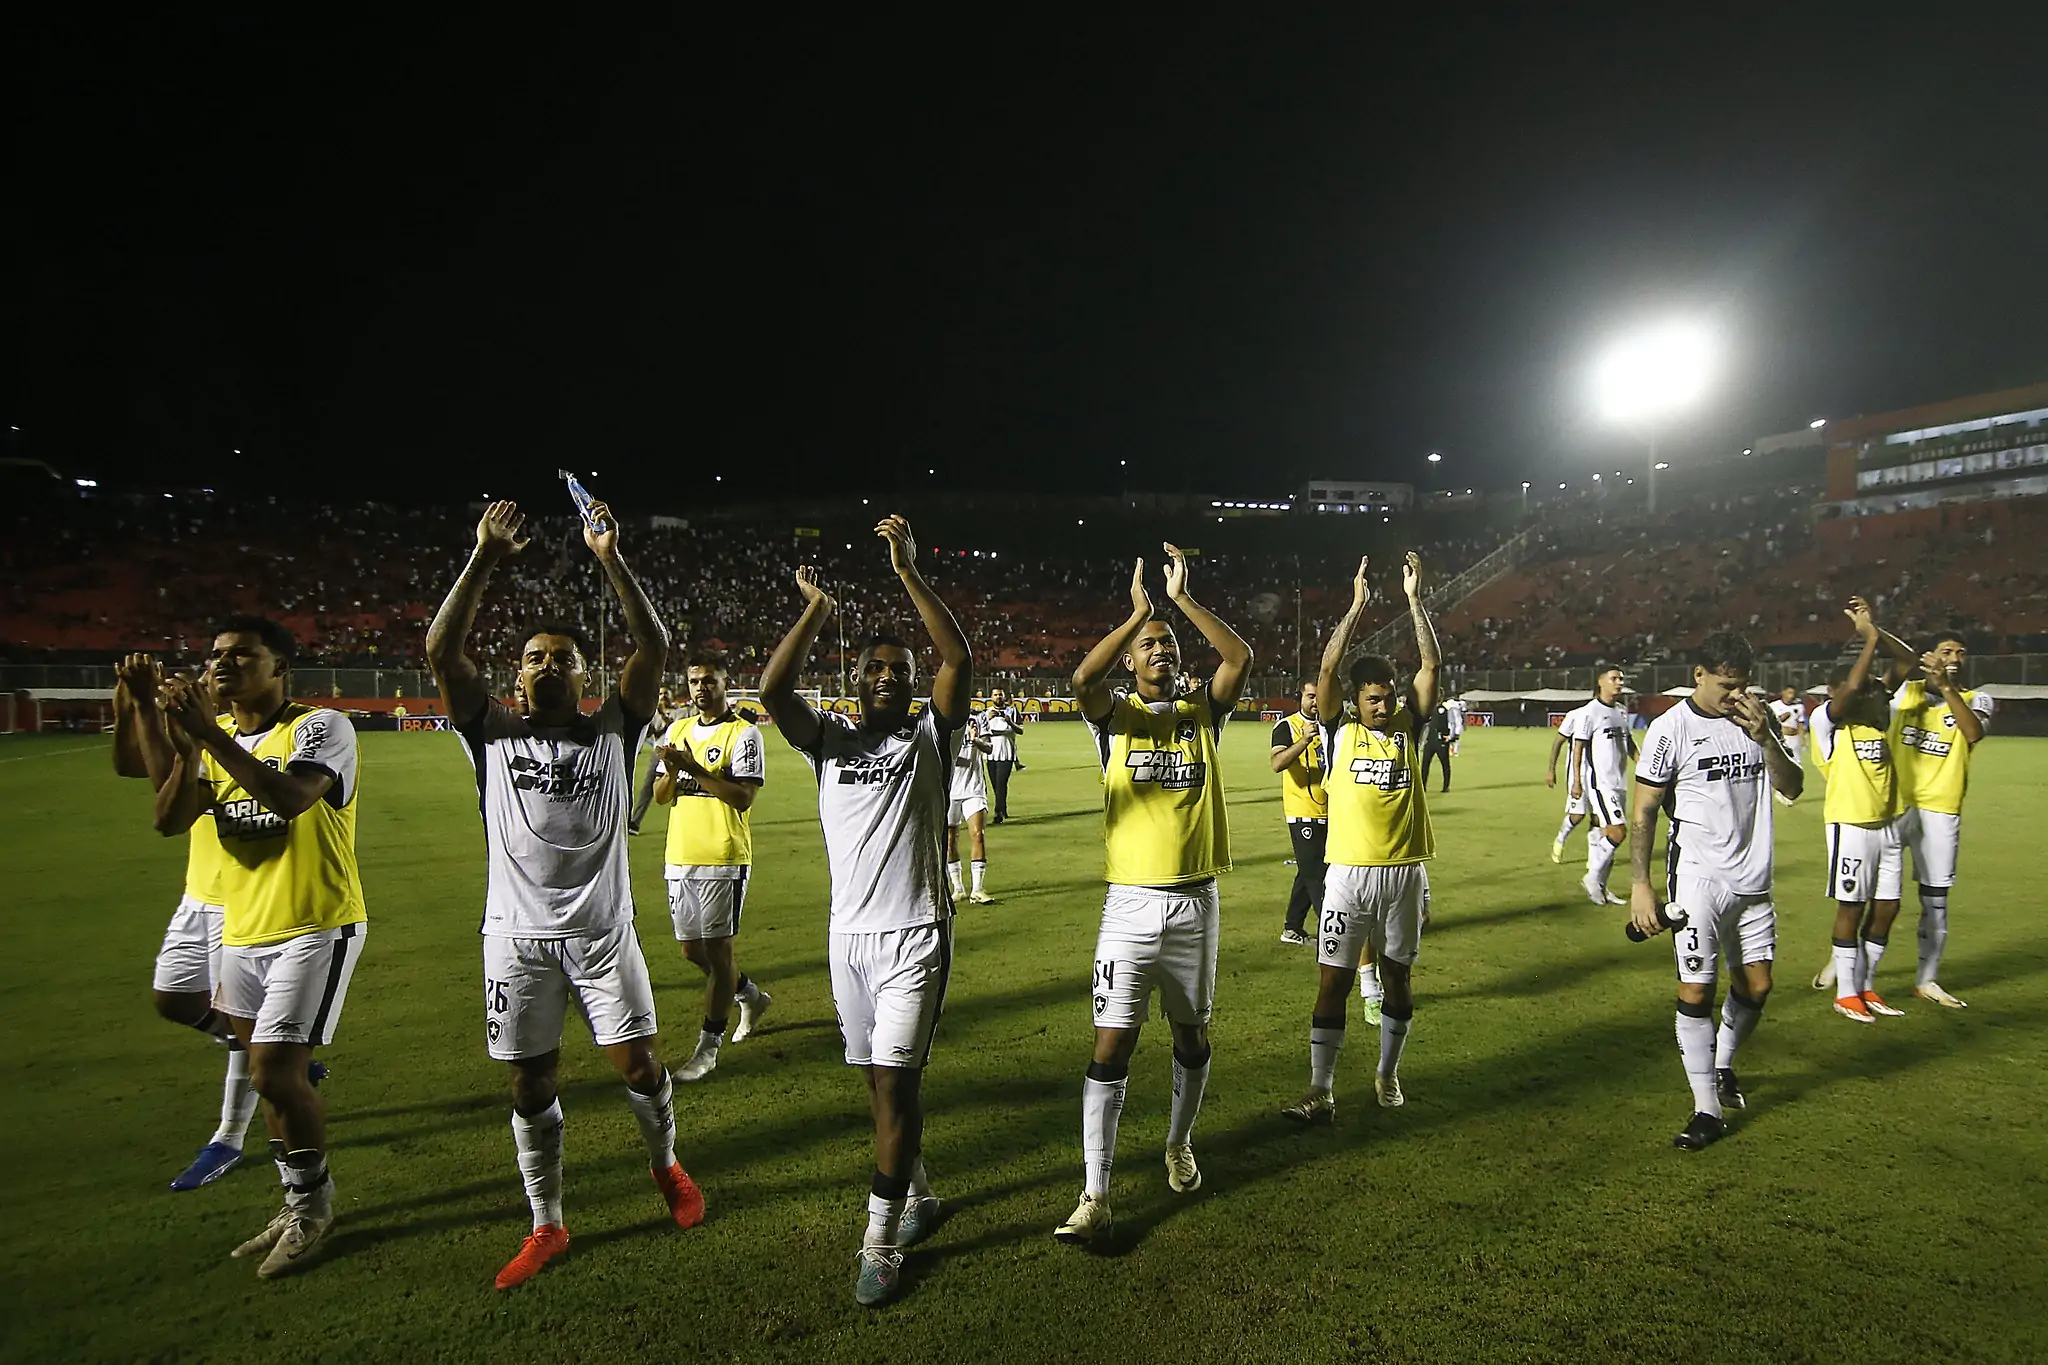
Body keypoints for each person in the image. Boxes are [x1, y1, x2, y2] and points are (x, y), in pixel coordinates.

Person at [425, 499, 703, 1292]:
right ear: (518, 673)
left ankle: (667, 1167)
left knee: (641, 1065)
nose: (549, 664)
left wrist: (610, 556)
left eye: (563, 657)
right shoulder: (491, 732)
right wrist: (482, 554)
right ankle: (546, 1221)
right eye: (535, 657)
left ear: (586, 672)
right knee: (530, 1081)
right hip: (514, 937)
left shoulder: (615, 729)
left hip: (604, 932)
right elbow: (442, 648)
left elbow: (653, 643)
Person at [759, 514, 971, 1308]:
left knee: (894, 1081)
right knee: (878, 1087)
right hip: (849, 939)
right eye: (873, 667)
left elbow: (958, 656)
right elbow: (775, 691)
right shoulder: (829, 743)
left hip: (917, 934)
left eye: (898, 668)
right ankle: (915, 1191)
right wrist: (814, 611)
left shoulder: (930, 738)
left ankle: (880, 1238)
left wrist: (909, 569)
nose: (887, 675)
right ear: (854, 681)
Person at [152, 617, 367, 1277]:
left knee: (275, 1072)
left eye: (243, 654)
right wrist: (191, 749)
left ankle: (314, 1207)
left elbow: (288, 798)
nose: (222, 663)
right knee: (269, 1078)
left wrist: (210, 733)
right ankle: (298, 1201)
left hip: (315, 922)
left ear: (281, 669)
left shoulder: (320, 726)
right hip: (242, 930)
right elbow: (168, 821)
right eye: (215, 654)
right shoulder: (212, 743)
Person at [1054, 544, 1252, 1249]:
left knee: (1192, 1035)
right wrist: (1138, 610)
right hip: (1131, 904)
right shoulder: (1113, 718)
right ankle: (1096, 1192)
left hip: (1197, 904)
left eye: (1166, 643)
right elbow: (1080, 678)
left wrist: (1183, 601)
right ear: (1131, 664)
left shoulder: (1204, 712)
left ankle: (1177, 1142)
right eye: (1148, 645)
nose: (1160, 649)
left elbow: (1239, 659)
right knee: (1112, 1042)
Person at [115, 654, 325, 1191]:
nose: (209, 678)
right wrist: (137, 705)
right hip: (199, 891)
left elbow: (286, 796)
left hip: (243, 897)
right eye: (207, 669)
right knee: (174, 998)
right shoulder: (203, 735)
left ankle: (228, 1138)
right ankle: (276, 1059)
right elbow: (146, 776)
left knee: (242, 1027)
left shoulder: (267, 733)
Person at [1627, 631, 1803, 1151]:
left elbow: (1792, 787)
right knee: (1697, 991)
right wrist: (1641, 886)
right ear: (1698, 675)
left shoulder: (1757, 719)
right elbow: (1643, 812)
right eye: (1726, 685)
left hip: (1755, 879)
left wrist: (1766, 737)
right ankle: (1705, 1109)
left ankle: (1722, 1064)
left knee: (1758, 988)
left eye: (1742, 685)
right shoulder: (1669, 729)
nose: (1735, 696)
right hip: (1699, 880)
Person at [1282, 553, 1437, 1125]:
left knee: (1397, 976)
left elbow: (1429, 663)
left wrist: (1415, 600)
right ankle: (1320, 1089)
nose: (1384, 703)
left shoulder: (1409, 727)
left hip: (1403, 874)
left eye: (1389, 695)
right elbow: (1325, 673)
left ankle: (1387, 1073)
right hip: (1346, 874)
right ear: (1356, 700)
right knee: (1334, 982)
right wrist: (1355, 607)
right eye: (1374, 697)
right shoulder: (1338, 730)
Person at [653, 652, 773, 1082]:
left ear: (726, 683)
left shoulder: (744, 735)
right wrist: (670, 771)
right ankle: (750, 995)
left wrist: (693, 767)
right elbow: (662, 795)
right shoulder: (677, 729)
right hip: (680, 854)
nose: (701, 688)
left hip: (723, 855)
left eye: (709, 681)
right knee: (692, 951)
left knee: (720, 952)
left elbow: (743, 798)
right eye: (694, 682)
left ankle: (708, 1047)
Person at [1806, 598, 1916, 1023]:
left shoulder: (1873, 717)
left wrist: (1876, 628)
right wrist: (1866, 640)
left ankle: (1866, 985)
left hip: (1887, 825)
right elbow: (1852, 687)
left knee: (1888, 906)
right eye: (1864, 687)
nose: (1872, 692)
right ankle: (1846, 992)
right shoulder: (1826, 722)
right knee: (1850, 907)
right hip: (1849, 826)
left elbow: (1905, 660)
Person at [1890, 630, 1994, 1008]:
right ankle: (1848, 966)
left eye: (1960, 652)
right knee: (1871, 892)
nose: (1955, 656)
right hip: (1895, 804)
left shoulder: (1975, 697)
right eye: (1946, 650)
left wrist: (1947, 687)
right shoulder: (1908, 691)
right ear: (1929, 655)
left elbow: (1972, 733)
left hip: (1941, 808)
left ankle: (1927, 980)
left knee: (1935, 898)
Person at [1561, 665, 1636, 907]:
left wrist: (1644, 765)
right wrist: (1576, 781)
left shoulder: (1621, 712)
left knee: (1605, 835)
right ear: (1601, 682)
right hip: (1600, 784)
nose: (1619, 682)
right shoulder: (1589, 712)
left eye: (1621, 679)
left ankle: (1602, 888)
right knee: (1618, 832)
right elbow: (1578, 748)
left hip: (1619, 782)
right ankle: (1592, 878)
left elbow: (1629, 742)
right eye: (1614, 678)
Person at [1270, 682, 1328, 947]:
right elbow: (1277, 763)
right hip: (1303, 811)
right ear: (1300, 698)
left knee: (1307, 870)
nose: (1316, 701)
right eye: (1311, 696)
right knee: (1318, 874)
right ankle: (1332, 931)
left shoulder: (1331, 726)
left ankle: (1292, 928)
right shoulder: (1287, 726)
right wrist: (1304, 740)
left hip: (1332, 811)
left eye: (1320, 696)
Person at [947, 722, 996, 905]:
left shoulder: (978, 719)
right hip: (950, 790)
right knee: (950, 839)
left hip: (974, 789)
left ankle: (977, 889)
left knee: (978, 835)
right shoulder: (944, 721)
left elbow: (989, 749)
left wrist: (975, 740)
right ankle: (958, 888)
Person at [628, 685, 683, 835]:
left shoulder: (680, 712)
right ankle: (634, 823)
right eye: (660, 693)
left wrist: (663, 714)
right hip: (658, 754)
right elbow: (653, 733)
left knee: (685, 788)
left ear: (672, 696)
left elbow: (673, 728)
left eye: (666, 693)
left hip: (678, 755)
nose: (663, 696)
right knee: (647, 789)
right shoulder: (654, 715)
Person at [1546, 717, 1587, 864]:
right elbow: (1558, 742)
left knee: (1599, 818)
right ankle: (1560, 838)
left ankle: (1595, 863)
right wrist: (1551, 769)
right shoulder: (1576, 715)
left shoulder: (1615, 713)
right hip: (1578, 774)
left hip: (1602, 775)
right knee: (1578, 815)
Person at [980, 688, 1022, 822]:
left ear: (1004, 696)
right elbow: (979, 732)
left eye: (1000, 695)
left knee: (1001, 783)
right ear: (991, 697)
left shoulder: (1012, 711)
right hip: (991, 753)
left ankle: (998, 813)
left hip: (1006, 752)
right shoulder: (986, 713)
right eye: (995, 695)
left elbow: (1020, 730)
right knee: (996, 785)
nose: (998, 697)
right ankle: (1003, 808)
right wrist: (987, 718)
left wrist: (1009, 722)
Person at [1768, 686, 1808, 808]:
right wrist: (1781, 718)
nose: (1791, 695)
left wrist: (1803, 740)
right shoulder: (1774, 705)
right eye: (1789, 692)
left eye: (1793, 693)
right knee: (1783, 767)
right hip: (1783, 738)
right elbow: (1770, 722)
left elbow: (1800, 724)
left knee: (1797, 765)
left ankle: (1786, 792)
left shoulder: (1799, 707)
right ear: (1783, 692)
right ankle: (1782, 793)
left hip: (1794, 738)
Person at [1419, 700, 1454, 792]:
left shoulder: (1446, 709)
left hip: (1441, 740)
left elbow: (1452, 722)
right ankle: (1423, 786)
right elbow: (1426, 726)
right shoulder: (1429, 709)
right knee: (1425, 765)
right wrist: (1423, 741)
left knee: (1445, 764)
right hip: (1430, 741)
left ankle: (1446, 787)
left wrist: (1450, 736)